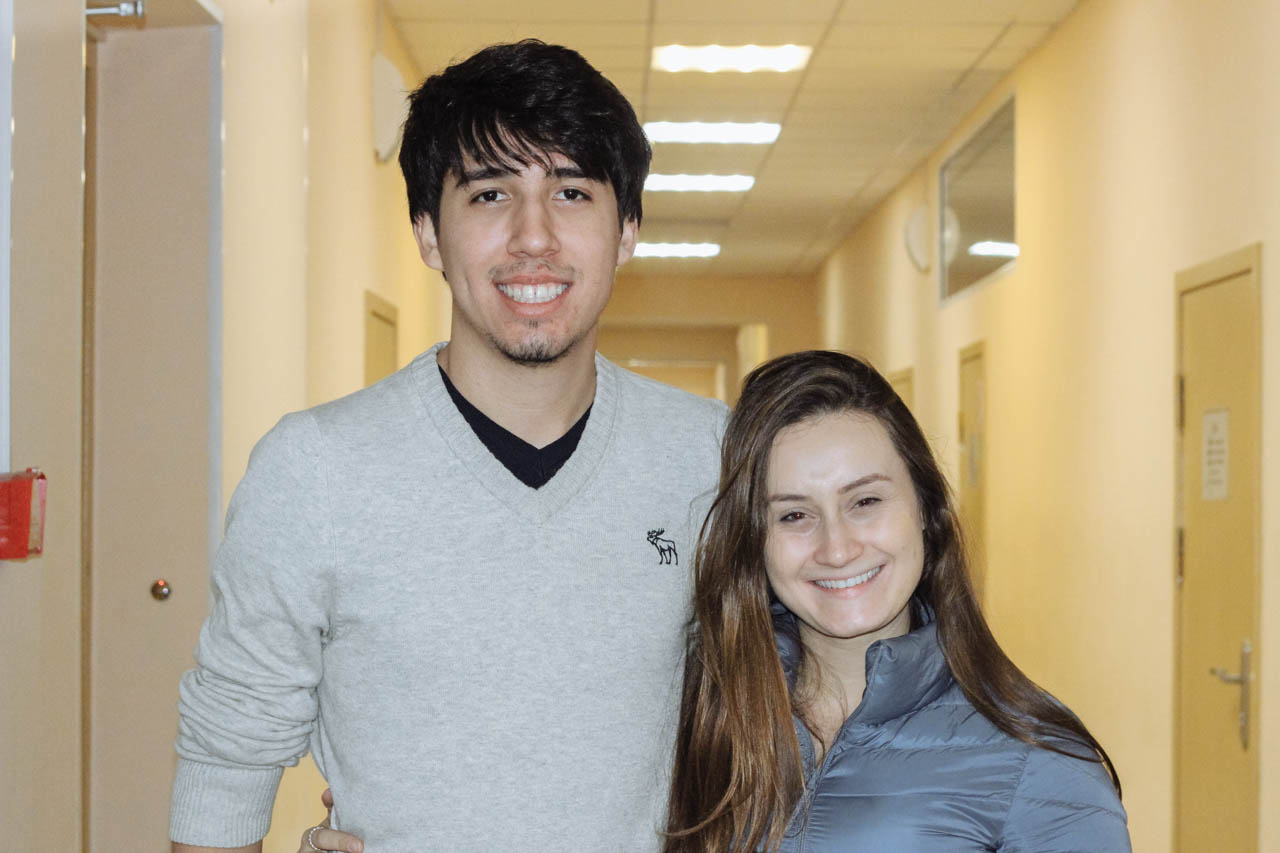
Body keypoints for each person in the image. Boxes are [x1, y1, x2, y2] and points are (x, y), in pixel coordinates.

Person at [170, 40, 726, 853]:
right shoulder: (316, 469)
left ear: (626, 232)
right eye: (491, 193)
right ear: (429, 232)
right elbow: (226, 758)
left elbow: (793, 704)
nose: (533, 237)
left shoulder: (710, 456)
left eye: (572, 192)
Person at [662, 350, 1130, 852]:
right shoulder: (704, 718)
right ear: (754, 540)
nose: (837, 549)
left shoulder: (1039, 763)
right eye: (794, 515)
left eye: (865, 502)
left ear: (925, 508)